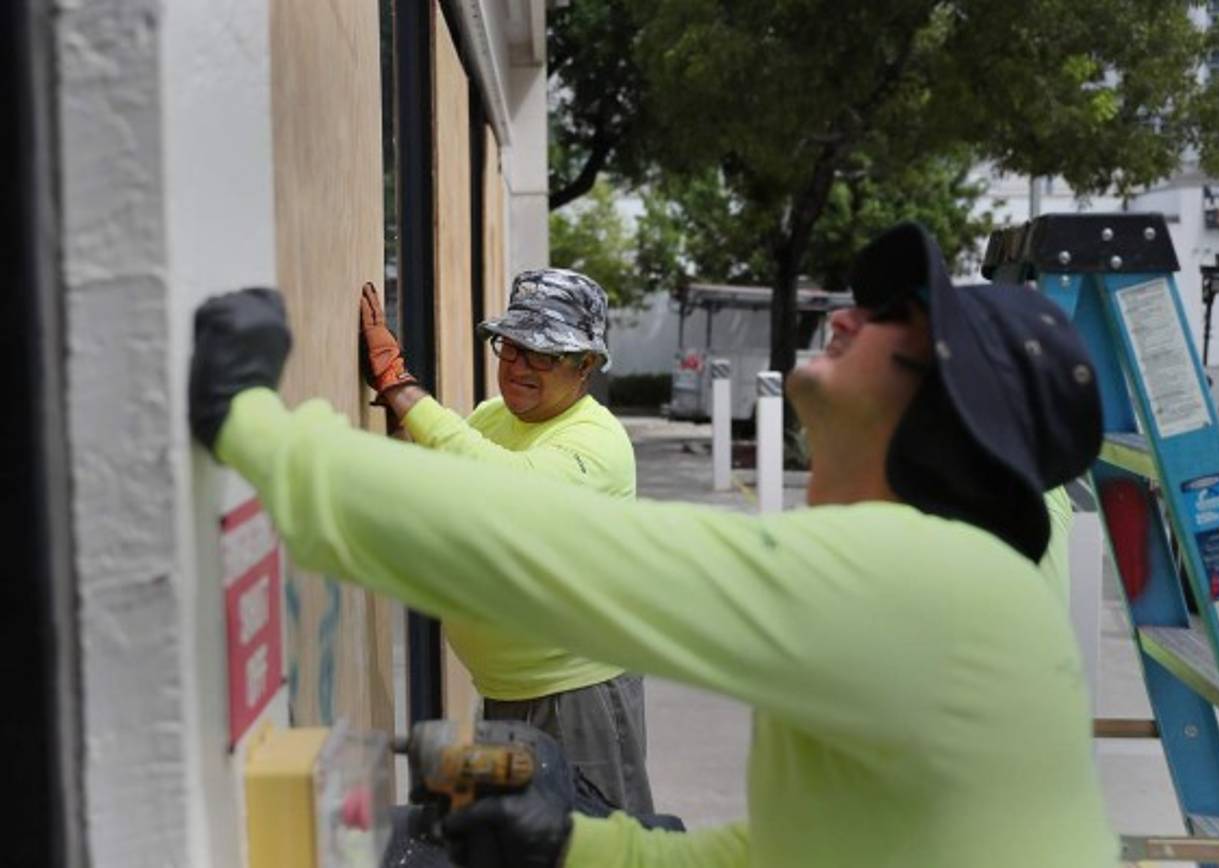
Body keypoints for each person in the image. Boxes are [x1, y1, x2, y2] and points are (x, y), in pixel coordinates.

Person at [189, 222, 1117, 867]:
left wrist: (256, 429)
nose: (841, 316)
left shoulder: (934, 581)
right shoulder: (936, 583)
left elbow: (540, 546)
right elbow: (793, 855)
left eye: (887, 323)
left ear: (949, 414)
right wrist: (585, 848)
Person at [357, 269, 653, 814]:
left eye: (542, 355)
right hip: (505, 689)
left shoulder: (596, 441)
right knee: (518, 846)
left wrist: (401, 388)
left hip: (577, 693)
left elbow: (503, 490)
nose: (517, 367)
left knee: (597, 847)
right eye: (510, 347)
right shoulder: (493, 418)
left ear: (586, 365)